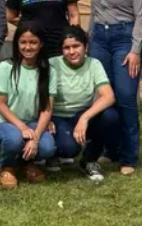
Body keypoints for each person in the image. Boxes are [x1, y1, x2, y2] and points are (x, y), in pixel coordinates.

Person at [88, 0, 142, 175]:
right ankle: (109, 150)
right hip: (99, 40)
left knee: (124, 97)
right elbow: (93, 14)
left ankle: (129, 157)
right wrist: (89, 43)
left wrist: (135, 50)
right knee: (103, 98)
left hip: (124, 39)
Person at [0, 24, 56, 189]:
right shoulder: (6, 67)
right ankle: (7, 167)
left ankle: (26, 163)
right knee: (14, 139)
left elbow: (47, 108)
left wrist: (36, 137)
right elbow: (0, 104)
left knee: (47, 147)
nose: (28, 47)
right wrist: (21, 126)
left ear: (41, 44)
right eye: (23, 42)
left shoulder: (49, 70)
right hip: (5, 122)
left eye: (33, 42)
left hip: (32, 122)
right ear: (16, 44)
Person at [49, 26, 117, 182]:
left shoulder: (94, 64)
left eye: (76, 46)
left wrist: (84, 118)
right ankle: (53, 154)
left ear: (85, 47)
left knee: (110, 117)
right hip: (58, 117)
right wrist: (47, 119)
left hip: (81, 113)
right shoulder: (52, 64)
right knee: (68, 149)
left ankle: (89, 160)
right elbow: (42, 97)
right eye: (66, 47)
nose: (72, 51)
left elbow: (109, 96)